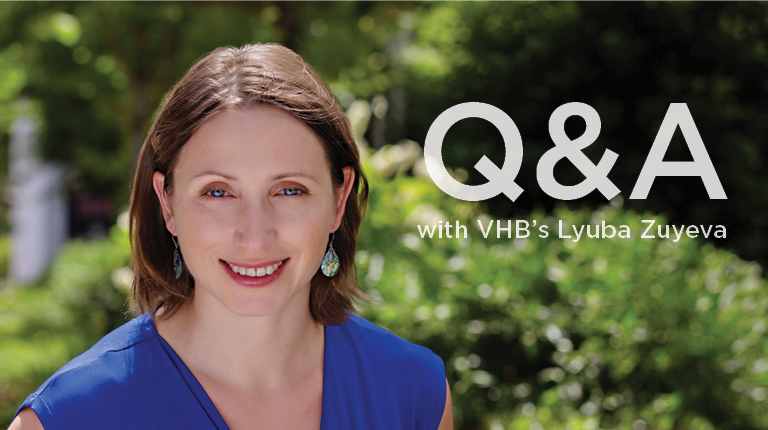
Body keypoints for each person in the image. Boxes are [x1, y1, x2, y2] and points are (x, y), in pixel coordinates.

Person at [9, 44, 452, 430]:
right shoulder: (68, 417)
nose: (254, 235)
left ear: (339, 201)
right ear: (168, 204)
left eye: (289, 190)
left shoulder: (414, 393)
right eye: (217, 192)